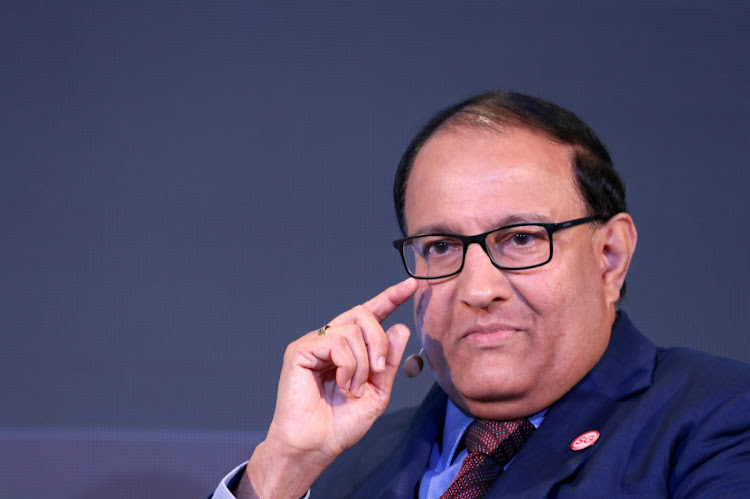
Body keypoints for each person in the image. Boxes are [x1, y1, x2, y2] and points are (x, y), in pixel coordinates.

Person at [212, 91, 750, 498]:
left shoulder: (720, 420)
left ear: (610, 256)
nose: (478, 289)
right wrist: (281, 469)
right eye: (442, 246)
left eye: (520, 239)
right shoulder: (342, 465)